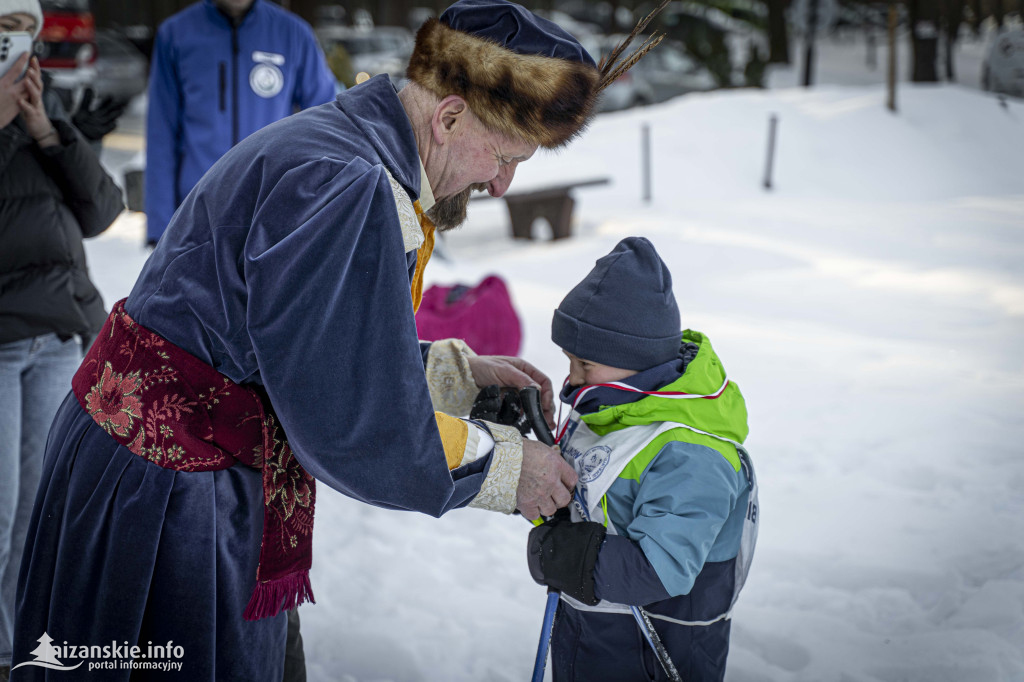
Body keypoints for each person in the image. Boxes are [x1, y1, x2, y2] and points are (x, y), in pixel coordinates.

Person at [12, 1, 661, 679]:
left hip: (175, 473)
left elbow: (300, 339)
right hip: (165, 500)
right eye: (503, 157)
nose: (502, 184)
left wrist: (452, 376)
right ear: (447, 117)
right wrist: (508, 469)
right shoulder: (345, 183)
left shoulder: (350, 146)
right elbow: (354, 423)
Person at [526, 237, 759, 681]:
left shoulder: (692, 453)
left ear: (635, 360)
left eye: (585, 364)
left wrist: (560, 556)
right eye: (568, 360)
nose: (572, 380)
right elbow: (585, 498)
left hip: (654, 654)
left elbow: (661, 569)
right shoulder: (613, 409)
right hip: (591, 632)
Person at [0, 1, 124, 678]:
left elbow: (104, 211)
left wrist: (48, 129)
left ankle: (21, 651)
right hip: (3, 339)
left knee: (37, 517)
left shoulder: (40, 128)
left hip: (57, 336)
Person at [143, 0, 336, 246]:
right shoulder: (176, 34)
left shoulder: (293, 33)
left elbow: (327, 125)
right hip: (198, 217)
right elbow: (161, 133)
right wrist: (160, 226)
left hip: (273, 214)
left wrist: (322, 208)